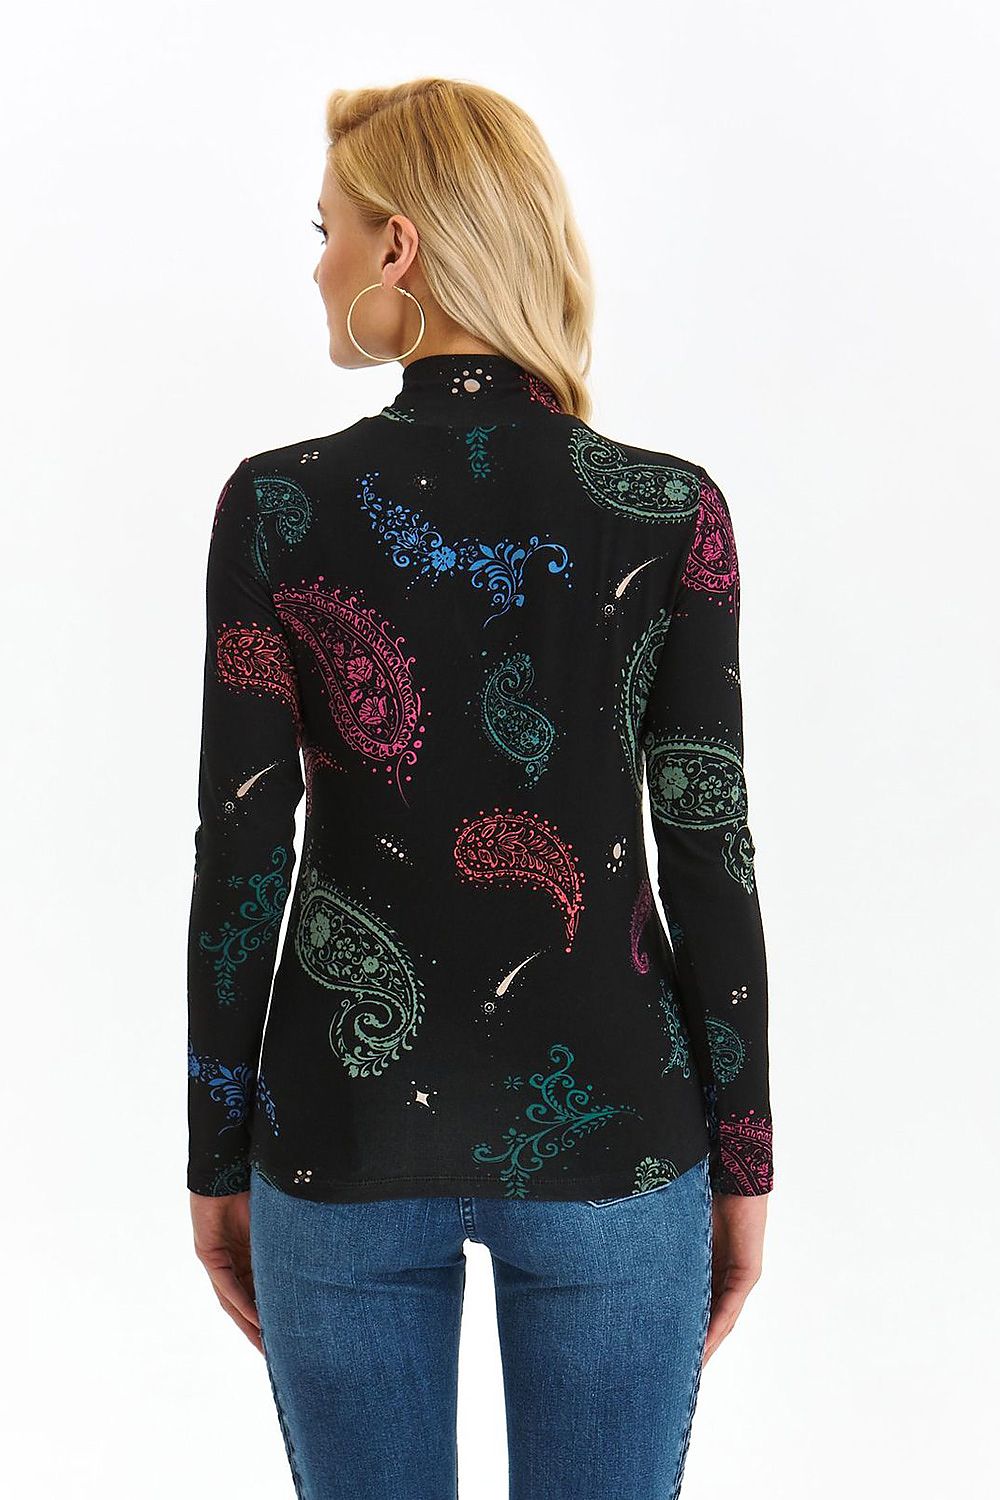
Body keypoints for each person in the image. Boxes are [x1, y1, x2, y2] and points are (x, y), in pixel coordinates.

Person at [186, 75, 773, 1500]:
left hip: (340, 1131)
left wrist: (217, 1150)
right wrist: (743, 1156)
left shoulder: (278, 506)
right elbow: (708, 847)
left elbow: (243, 857)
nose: (316, 265)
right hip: (619, 1129)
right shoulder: (667, 509)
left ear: (397, 247)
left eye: (327, 230)